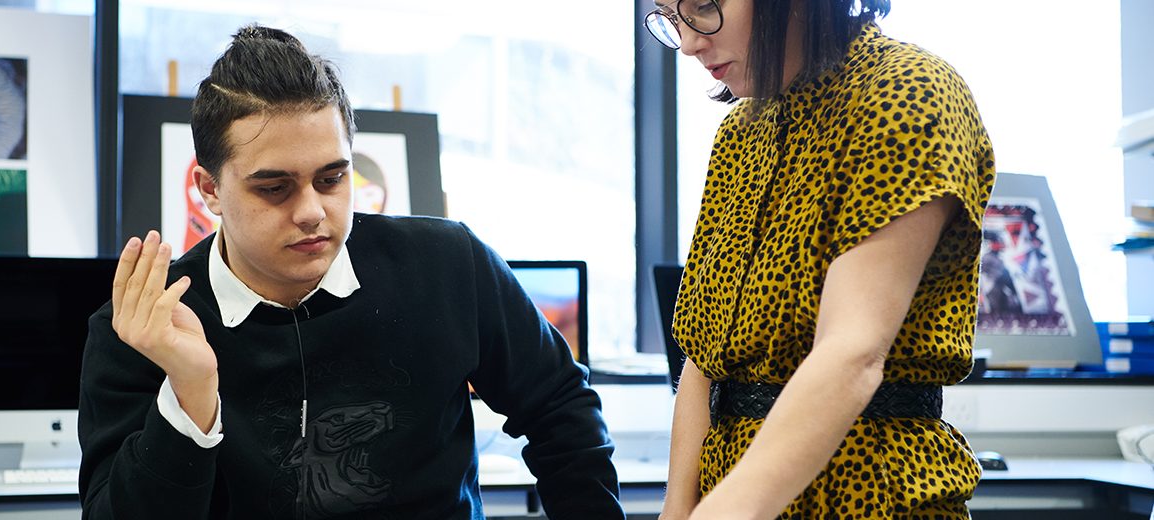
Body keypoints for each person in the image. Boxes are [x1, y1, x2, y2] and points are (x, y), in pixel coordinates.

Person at [77, 25, 624, 519]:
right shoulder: (146, 328)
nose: (312, 211)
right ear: (210, 190)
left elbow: (560, 407)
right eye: (274, 188)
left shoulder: (447, 264)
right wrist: (190, 392)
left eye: (333, 179)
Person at [643, 0, 995, 518]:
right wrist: (678, 509)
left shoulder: (908, 92)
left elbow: (853, 352)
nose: (690, 41)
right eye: (670, 18)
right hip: (733, 495)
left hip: (872, 497)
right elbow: (702, 360)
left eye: (703, 7)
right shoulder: (740, 134)